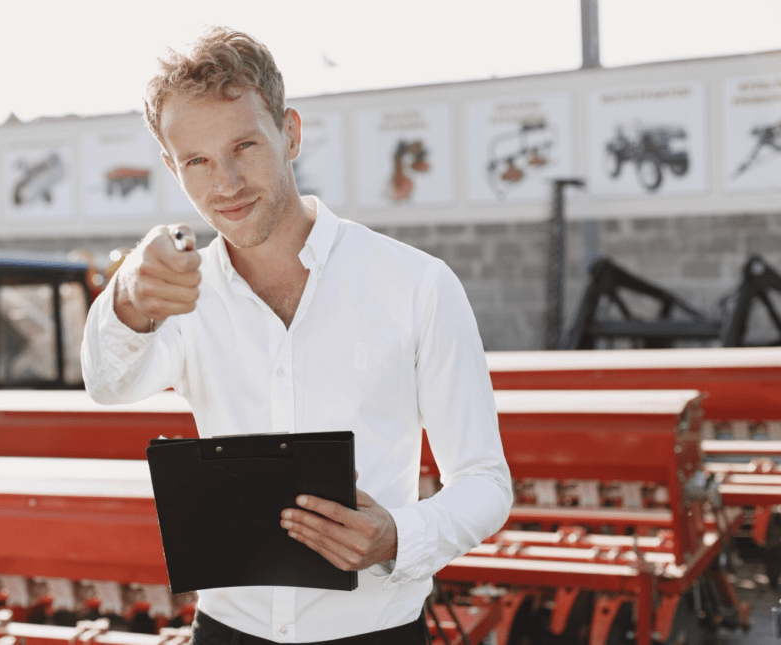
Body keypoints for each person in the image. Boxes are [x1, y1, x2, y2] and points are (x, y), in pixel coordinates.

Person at [82, 26, 512, 645]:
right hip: (227, 631)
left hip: (377, 633)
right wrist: (126, 297)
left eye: (245, 146)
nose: (225, 183)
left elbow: (484, 482)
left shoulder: (418, 284)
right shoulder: (176, 294)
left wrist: (399, 535)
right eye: (197, 161)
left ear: (290, 133)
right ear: (172, 167)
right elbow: (107, 384)